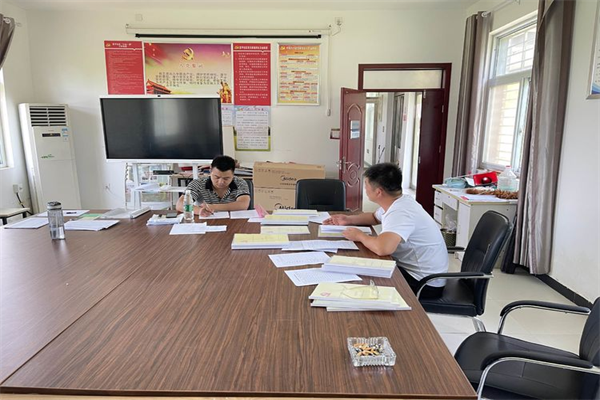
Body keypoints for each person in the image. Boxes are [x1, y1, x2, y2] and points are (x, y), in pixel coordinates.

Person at [323, 163, 448, 299]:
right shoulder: (398, 201)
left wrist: (359, 236)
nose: (365, 188)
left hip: (424, 284)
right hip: (415, 272)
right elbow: (374, 217)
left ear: (378, 192)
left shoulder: (401, 212)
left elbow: (383, 248)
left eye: (366, 185)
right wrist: (347, 219)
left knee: (360, 277)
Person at [176, 155, 250, 217]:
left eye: (226, 178)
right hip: (206, 222)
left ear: (233, 173)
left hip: (234, 223)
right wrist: (199, 211)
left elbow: (243, 205)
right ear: (210, 170)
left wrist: (212, 207)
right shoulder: (198, 183)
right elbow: (180, 205)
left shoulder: (240, 182)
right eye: (216, 177)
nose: (221, 182)